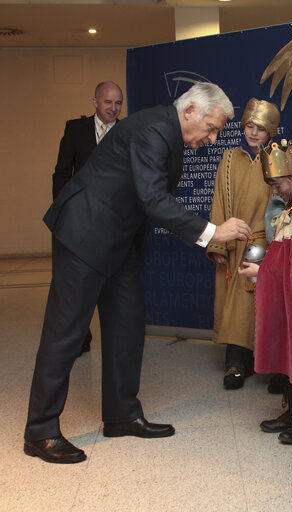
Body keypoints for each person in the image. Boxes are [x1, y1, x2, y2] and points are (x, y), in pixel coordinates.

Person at [24, 82, 253, 464]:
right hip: (85, 234)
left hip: (120, 241)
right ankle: (41, 430)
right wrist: (213, 231)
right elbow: (152, 198)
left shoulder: (170, 132)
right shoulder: (154, 129)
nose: (212, 139)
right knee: (65, 334)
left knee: (128, 323)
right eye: (212, 128)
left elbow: (145, 200)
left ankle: (121, 414)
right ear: (191, 110)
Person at [240, 140, 292, 445]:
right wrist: (261, 272)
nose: (275, 191)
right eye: (272, 185)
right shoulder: (288, 210)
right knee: (288, 352)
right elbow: (279, 260)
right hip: (285, 297)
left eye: (279, 185)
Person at [207, 99, 277, 390]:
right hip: (232, 240)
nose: (253, 133)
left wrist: (276, 244)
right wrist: (219, 244)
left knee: (257, 302)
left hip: (262, 240)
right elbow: (220, 203)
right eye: (249, 126)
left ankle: (269, 363)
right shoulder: (229, 159)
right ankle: (236, 361)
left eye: (260, 128)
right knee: (233, 305)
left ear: (270, 131)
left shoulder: (277, 158)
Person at [51, 80, 124, 355]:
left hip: (114, 222)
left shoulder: (127, 131)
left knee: (109, 283)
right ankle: (80, 336)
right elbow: (61, 173)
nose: (113, 108)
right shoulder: (75, 129)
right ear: (95, 102)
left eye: (118, 103)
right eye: (108, 102)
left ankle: (114, 335)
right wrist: (64, 210)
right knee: (76, 282)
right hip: (79, 220)